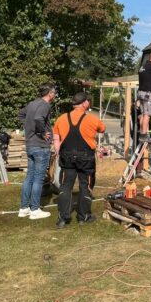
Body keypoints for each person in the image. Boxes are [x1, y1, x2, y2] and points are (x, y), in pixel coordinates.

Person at [52, 92, 105, 227]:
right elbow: (102, 129)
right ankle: (84, 217)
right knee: (85, 186)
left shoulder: (61, 118)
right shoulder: (91, 119)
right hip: (86, 158)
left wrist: (58, 152)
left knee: (65, 186)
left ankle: (63, 219)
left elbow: (56, 138)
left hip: (66, 157)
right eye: (88, 101)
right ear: (85, 103)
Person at [19, 83, 56, 220]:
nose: (55, 95)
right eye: (54, 92)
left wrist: (29, 127)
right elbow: (38, 118)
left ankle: (24, 208)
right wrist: (42, 132)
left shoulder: (32, 104)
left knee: (30, 176)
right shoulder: (45, 105)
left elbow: (21, 114)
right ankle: (35, 209)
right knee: (38, 178)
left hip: (30, 145)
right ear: (50, 93)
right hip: (40, 146)